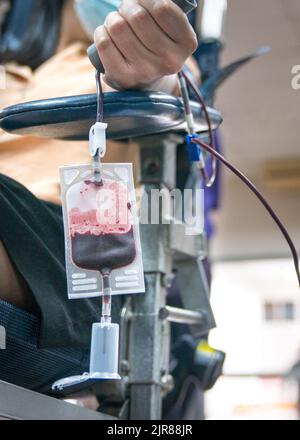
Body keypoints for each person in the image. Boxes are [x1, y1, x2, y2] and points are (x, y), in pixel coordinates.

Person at [0, 0, 201, 392]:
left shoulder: (110, 68)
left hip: (68, 254)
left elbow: (168, 82)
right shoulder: (9, 71)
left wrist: (148, 72)